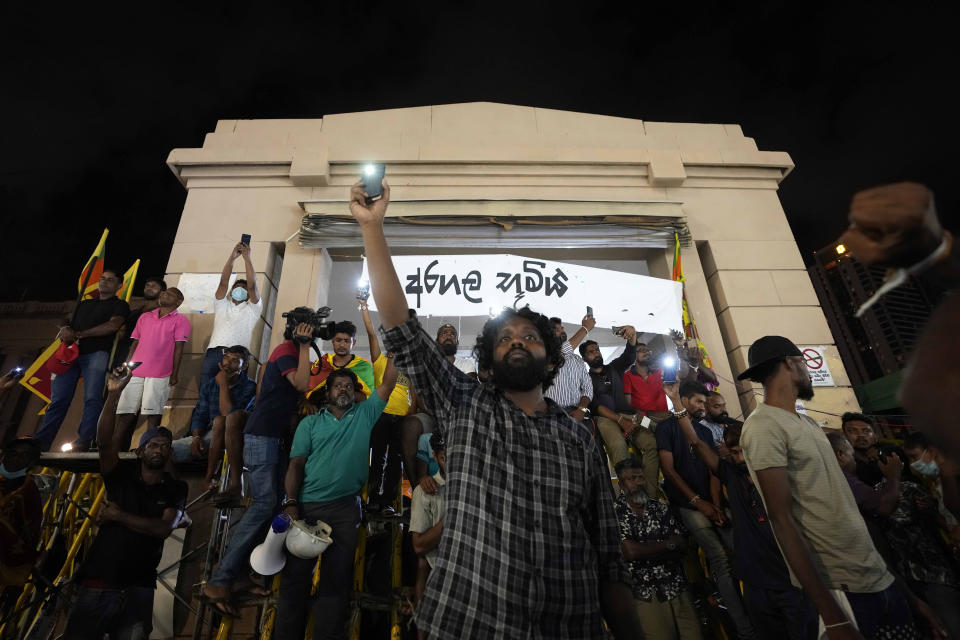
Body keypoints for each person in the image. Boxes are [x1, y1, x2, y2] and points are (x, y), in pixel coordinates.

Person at [350, 178, 640, 639]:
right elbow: (403, 332)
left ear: (551, 357)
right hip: (464, 624)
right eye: (504, 338)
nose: (517, 341)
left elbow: (608, 557)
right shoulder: (463, 404)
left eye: (529, 337)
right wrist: (372, 228)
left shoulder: (580, 439)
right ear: (489, 358)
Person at [738, 335, 918, 639]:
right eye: (804, 363)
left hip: (878, 580)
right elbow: (781, 519)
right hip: (841, 591)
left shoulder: (807, 425)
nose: (809, 370)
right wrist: (832, 617)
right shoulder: (763, 427)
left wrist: (909, 597)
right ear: (789, 363)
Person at [667, 382, 815, 639]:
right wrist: (677, 405)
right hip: (756, 579)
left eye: (742, 451)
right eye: (733, 453)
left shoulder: (774, 475)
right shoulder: (731, 475)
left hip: (788, 577)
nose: (738, 458)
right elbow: (696, 443)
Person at [61, 366, 188, 640]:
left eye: (166, 446)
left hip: (139, 588)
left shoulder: (176, 488)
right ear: (141, 451)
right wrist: (114, 396)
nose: (160, 449)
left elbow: (163, 529)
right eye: (153, 444)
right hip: (99, 583)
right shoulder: (121, 478)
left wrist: (120, 516)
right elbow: (106, 443)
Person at [274, 364, 398, 640]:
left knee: (336, 581)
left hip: (345, 509)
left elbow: (388, 383)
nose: (343, 389)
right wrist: (291, 502)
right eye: (337, 385)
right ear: (327, 392)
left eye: (348, 386)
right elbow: (295, 464)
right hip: (307, 507)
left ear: (355, 393)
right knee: (295, 580)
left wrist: (396, 343)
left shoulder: (364, 415)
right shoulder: (310, 423)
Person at [201, 318, 314, 613]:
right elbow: (302, 382)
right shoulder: (288, 350)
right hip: (262, 434)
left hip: (271, 435)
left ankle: (237, 576)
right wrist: (304, 346)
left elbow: (288, 389)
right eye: (311, 330)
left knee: (271, 504)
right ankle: (220, 579)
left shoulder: (288, 352)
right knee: (264, 503)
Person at [829, 432, 957, 638]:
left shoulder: (911, 487)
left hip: (917, 573)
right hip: (923, 572)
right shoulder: (890, 490)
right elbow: (887, 509)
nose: (858, 461)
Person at [657, 380, 754, 639]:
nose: (703, 407)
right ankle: (744, 630)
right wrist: (698, 502)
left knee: (740, 549)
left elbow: (714, 470)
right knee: (719, 558)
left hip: (712, 503)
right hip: (687, 504)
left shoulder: (706, 431)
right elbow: (668, 470)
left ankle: (758, 615)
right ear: (684, 400)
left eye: (705, 402)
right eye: (698, 402)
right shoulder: (666, 428)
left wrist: (716, 505)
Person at [34, 269, 130, 452]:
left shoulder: (120, 305)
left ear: (119, 286)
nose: (104, 282)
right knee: (58, 399)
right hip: (71, 354)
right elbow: (65, 320)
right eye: (102, 279)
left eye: (110, 280)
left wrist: (79, 334)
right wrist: (64, 328)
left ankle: (84, 439)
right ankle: (42, 440)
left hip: (97, 353)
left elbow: (112, 326)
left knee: (93, 398)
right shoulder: (84, 303)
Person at [614, 457, 701, 640]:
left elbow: (682, 543)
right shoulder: (615, 513)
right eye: (632, 479)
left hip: (676, 587)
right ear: (621, 484)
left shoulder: (659, 508)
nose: (638, 482)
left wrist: (646, 548)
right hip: (646, 595)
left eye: (640, 477)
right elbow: (630, 552)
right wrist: (668, 544)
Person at [400, 323, 477, 494]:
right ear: (436, 341)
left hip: (458, 416)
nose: (448, 335)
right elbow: (420, 396)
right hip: (431, 413)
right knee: (410, 425)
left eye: (452, 333)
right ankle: (418, 490)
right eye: (444, 333)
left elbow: (468, 394)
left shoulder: (466, 365)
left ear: (457, 341)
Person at [170, 346, 256, 490]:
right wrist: (196, 437)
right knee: (167, 449)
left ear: (244, 366)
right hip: (210, 435)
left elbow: (229, 415)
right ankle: (176, 490)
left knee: (220, 421)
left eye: (235, 360)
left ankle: (211, 477)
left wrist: (223, 385)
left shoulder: (249, 386)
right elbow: (200, 413)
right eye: (226, 358)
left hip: (236, 437)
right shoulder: (211, 384)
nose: (228, 363)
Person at [114, 287, 190, 448]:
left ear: (179, 302)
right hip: (134, 371)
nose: (164, 294)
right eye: (163, 292)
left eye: (170, 294)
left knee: (153, 412)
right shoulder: (145, 317)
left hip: (160, 373)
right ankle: (113, 449)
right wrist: (126, 366)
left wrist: (174, 373)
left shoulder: (180, 320)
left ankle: (150, 448)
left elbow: (179, 348)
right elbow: (134, 342)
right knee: (125, 412)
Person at [359, 292, 413, 512]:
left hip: (401, 417)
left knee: (395, 461)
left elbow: (415, 396)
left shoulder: (410, 367)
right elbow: (372, 334)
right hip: (380, 414)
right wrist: (364, 307)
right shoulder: (380, 360)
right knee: (378, 456)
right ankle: (372, 499)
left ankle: (388, 502)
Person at [199, 243, 263, 386]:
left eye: (243, 288)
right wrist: (232, 258)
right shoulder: (222, 304)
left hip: (238, 358)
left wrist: (247, 258)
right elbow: (223, 282)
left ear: (248, 295)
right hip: (214, 354)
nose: (239, 290)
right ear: (231, 290)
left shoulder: (253, 309)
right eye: (236, 287)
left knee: (234, 394)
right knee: (206, 389)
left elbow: (253, 285)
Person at [579, 327, 639, 472]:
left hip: (629, 414)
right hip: (605, 418)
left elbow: (629, 356)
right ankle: (629, 487)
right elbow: (596, 406)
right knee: (618, 445)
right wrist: (620, 421)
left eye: (597, 349)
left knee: (649, 441)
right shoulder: (585, 381)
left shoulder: (614, 367)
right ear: (584, 358)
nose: (596, 353)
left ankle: (651, 491)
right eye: (591, 352)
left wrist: (632, 336)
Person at [410, 432, 447, 609]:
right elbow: (418, 546)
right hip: (439, 573)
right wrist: (453, 517)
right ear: (435, 457)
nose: (452, 464)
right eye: (444, 458)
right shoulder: (425, 492)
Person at [0, 437, 42, 591]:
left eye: (24, 455)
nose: (16, 458)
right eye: (13, 453)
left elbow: (30, 532)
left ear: (31, 463)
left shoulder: (29, 492)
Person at [543, 314, 595, 419]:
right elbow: (562, 351)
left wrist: (581, 410)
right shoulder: (544, 356)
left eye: (562, 328)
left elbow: (588, 388)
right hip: (553, 415)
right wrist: (585, 328)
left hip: (578, 413)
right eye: (557, 329)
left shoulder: (578, 360)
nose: (562, 331)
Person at [306, 321, 375, 399]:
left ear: (354, 343)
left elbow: (369, 399)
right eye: (338, 340)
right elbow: (309, 392)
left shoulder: (364, 366)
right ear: (332, 341)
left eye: (346, 341)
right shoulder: (323, 362)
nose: (342, 345)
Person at [113, 277, 166, 368]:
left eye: (154, 286)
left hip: (142, 353)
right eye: (147, 286)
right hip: (123, 350)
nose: (149, 288)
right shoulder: (135, 310)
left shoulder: (161, 313)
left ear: (162, 292)